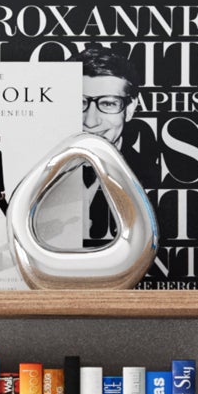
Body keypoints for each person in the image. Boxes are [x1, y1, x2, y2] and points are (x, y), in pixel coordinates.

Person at [78, 45, 159, 244]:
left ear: (130, 108)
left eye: (108, 104)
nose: (90, 122)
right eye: (80, 102)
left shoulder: (155, 179)